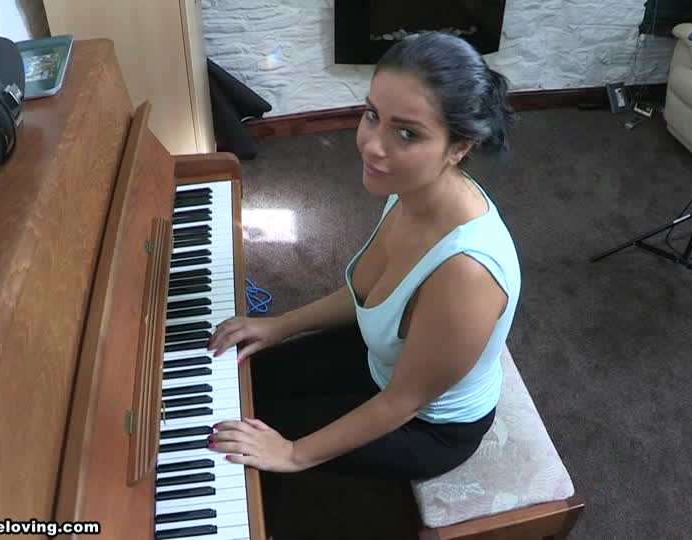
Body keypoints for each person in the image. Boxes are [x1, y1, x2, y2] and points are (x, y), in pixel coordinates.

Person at [205, 30, 521, 528]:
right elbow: (364, 295)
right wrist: (279, 325)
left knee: (244, 438)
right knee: (244, 379)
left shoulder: (467, 274)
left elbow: (402, 402)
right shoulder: (408, 190)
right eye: (373, 115)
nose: (372, 145)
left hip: (428, 425)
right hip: (382, 360)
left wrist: (292, 453)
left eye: (407, 134)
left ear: (459, 147)